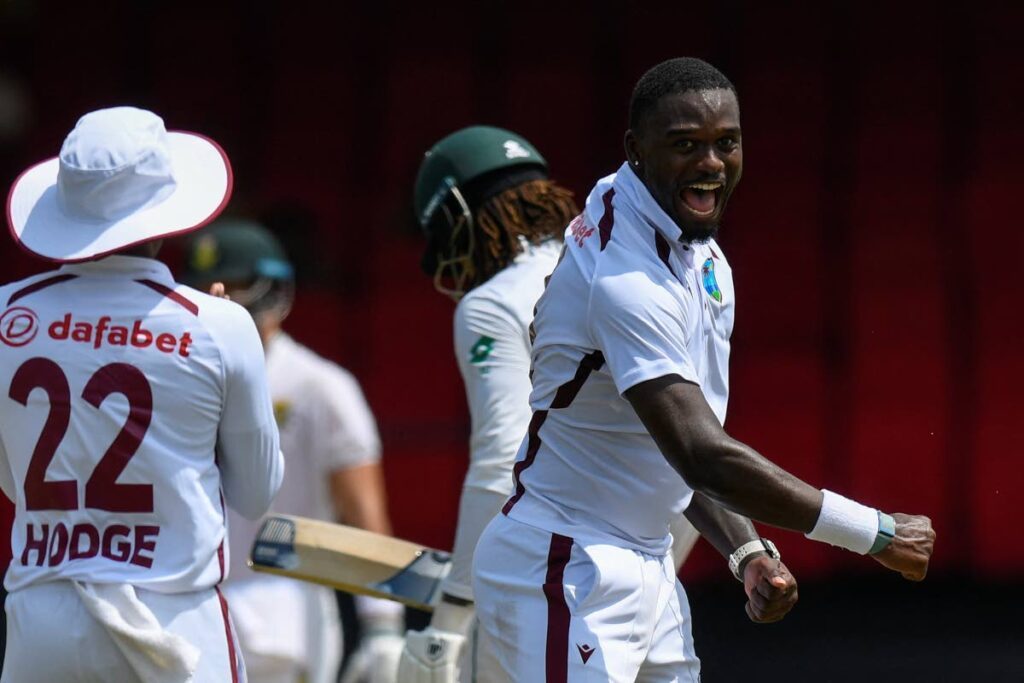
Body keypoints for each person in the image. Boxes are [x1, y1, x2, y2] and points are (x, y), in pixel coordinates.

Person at [471, 57, 936, 682]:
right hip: (562, 563)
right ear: (636, 150)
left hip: (647, 564)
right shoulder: (626, 278)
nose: (712, 163)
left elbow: (680, 449)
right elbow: (700, 454)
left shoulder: (694, 250)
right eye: (686, 145)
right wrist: (873, 533)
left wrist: (744, 549)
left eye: (727, 143)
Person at [398, 126, 789, 683]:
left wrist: (451, 620)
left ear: (457, 213)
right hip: (651, 565)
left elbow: (498, 462)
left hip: (564, 566)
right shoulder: (626, 266)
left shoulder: (491, 304)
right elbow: (687, 446)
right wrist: (745, 549)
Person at [0, 106, 284, 681]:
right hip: (175, 623)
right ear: (164, 214)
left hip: (42, 619)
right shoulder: (220, 325)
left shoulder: (4, 312)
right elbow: (256, 494)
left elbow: (12, 476)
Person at [183, 220, 405, 683]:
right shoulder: (176, 379)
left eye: (235, 286)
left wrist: (383, 624)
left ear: (273, 292)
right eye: (203, 289)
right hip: (190, 604)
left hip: (284, 608)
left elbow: (362, 509)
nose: (218, 298)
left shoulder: (319, 386)